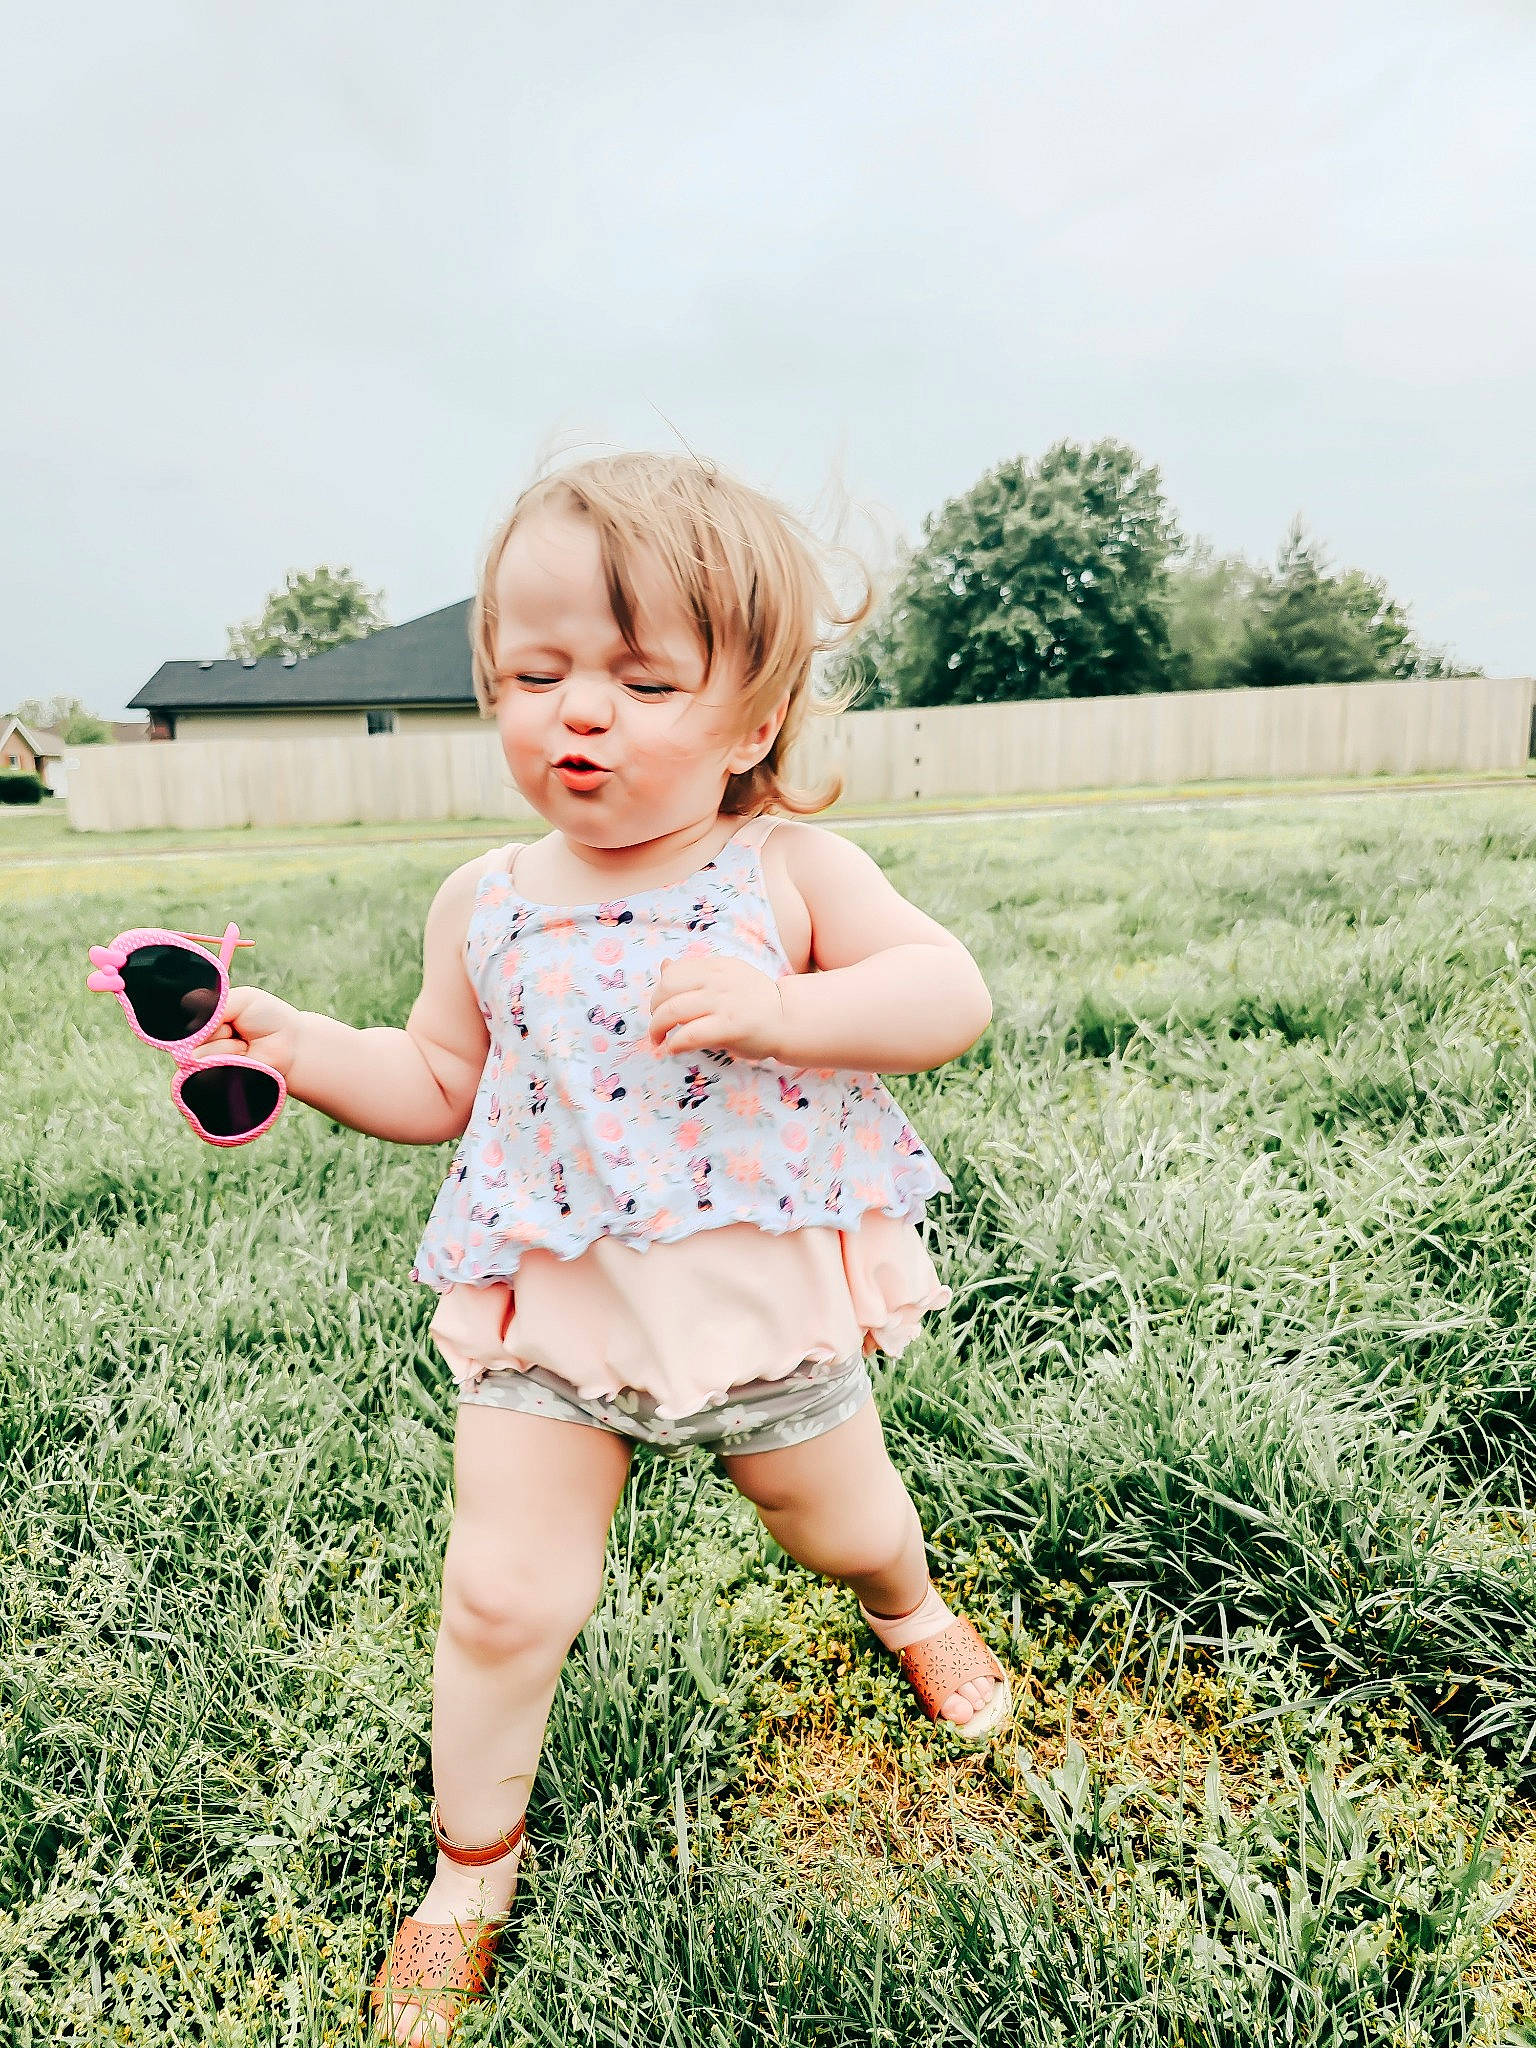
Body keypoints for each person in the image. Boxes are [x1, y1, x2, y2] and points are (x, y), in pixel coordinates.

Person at [196, 451, 1010, 2043]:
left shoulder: (782, 874)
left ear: (752, 719)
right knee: (501, 1599)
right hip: (555, 1324)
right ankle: (468, 1871)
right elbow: (438, 1082)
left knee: (837, 1523)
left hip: (758, 1315)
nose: (581, 713)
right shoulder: (484, 902)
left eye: (645, 679)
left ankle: (912, 1609)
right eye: (538, 671)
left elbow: (949, 996)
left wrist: (790, 1005)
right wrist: (301, 1050)